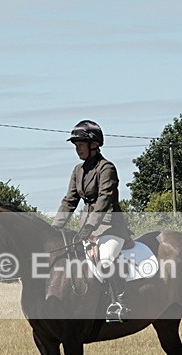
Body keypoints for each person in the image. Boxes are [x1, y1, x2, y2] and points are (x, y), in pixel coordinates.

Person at [51, 120, 133, 322]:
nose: (77, 149)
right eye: (76, 145)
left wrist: (90, 226)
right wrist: (53, 228)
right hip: (86, 228)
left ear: (93, 145)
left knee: (104, 259)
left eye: (80, 144)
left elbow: (104, 199)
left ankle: (119, 303)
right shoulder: (78, 171)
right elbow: (69, 201)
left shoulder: (107, 168)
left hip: (110, 227)